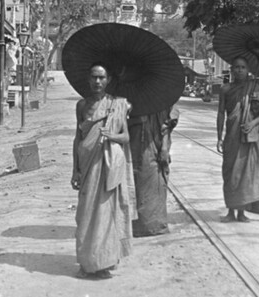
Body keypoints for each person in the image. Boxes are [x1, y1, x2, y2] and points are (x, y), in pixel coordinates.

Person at [71, 64, 134, 279]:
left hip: (107, 166)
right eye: (94, 77)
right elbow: (78, 138)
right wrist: (75, 170)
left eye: (102, 78)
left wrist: (111, 136)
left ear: (108, 80)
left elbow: (126, 137)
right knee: (85, 215)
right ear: (88, 80)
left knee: (105, 215)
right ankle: (86, 263)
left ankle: (104, 262)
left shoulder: (117, 104)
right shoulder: (82, 105)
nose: (97, 82)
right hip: (87, 166)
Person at [216, 56, 259, 222]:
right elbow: (220, 113)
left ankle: (242, 213)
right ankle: (230, 212)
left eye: (242, 67)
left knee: (246, 176)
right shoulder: (225, 89)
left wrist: (253, 122)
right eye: (236, 67)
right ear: (231, 70)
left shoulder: (256, 89)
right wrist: (219, 137)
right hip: (231, 137)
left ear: (248, 70)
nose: (239, 70)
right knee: (230, 175)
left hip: (248, 139)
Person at [129, 104, 179, 237]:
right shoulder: (135, 98)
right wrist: (138, 120)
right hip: (136, 143)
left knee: (156, 181)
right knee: (139, 182)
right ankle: (142, 222)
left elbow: (167, 125)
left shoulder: (163, 99)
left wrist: (164, 148)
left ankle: (154, 225)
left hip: (156, 144)